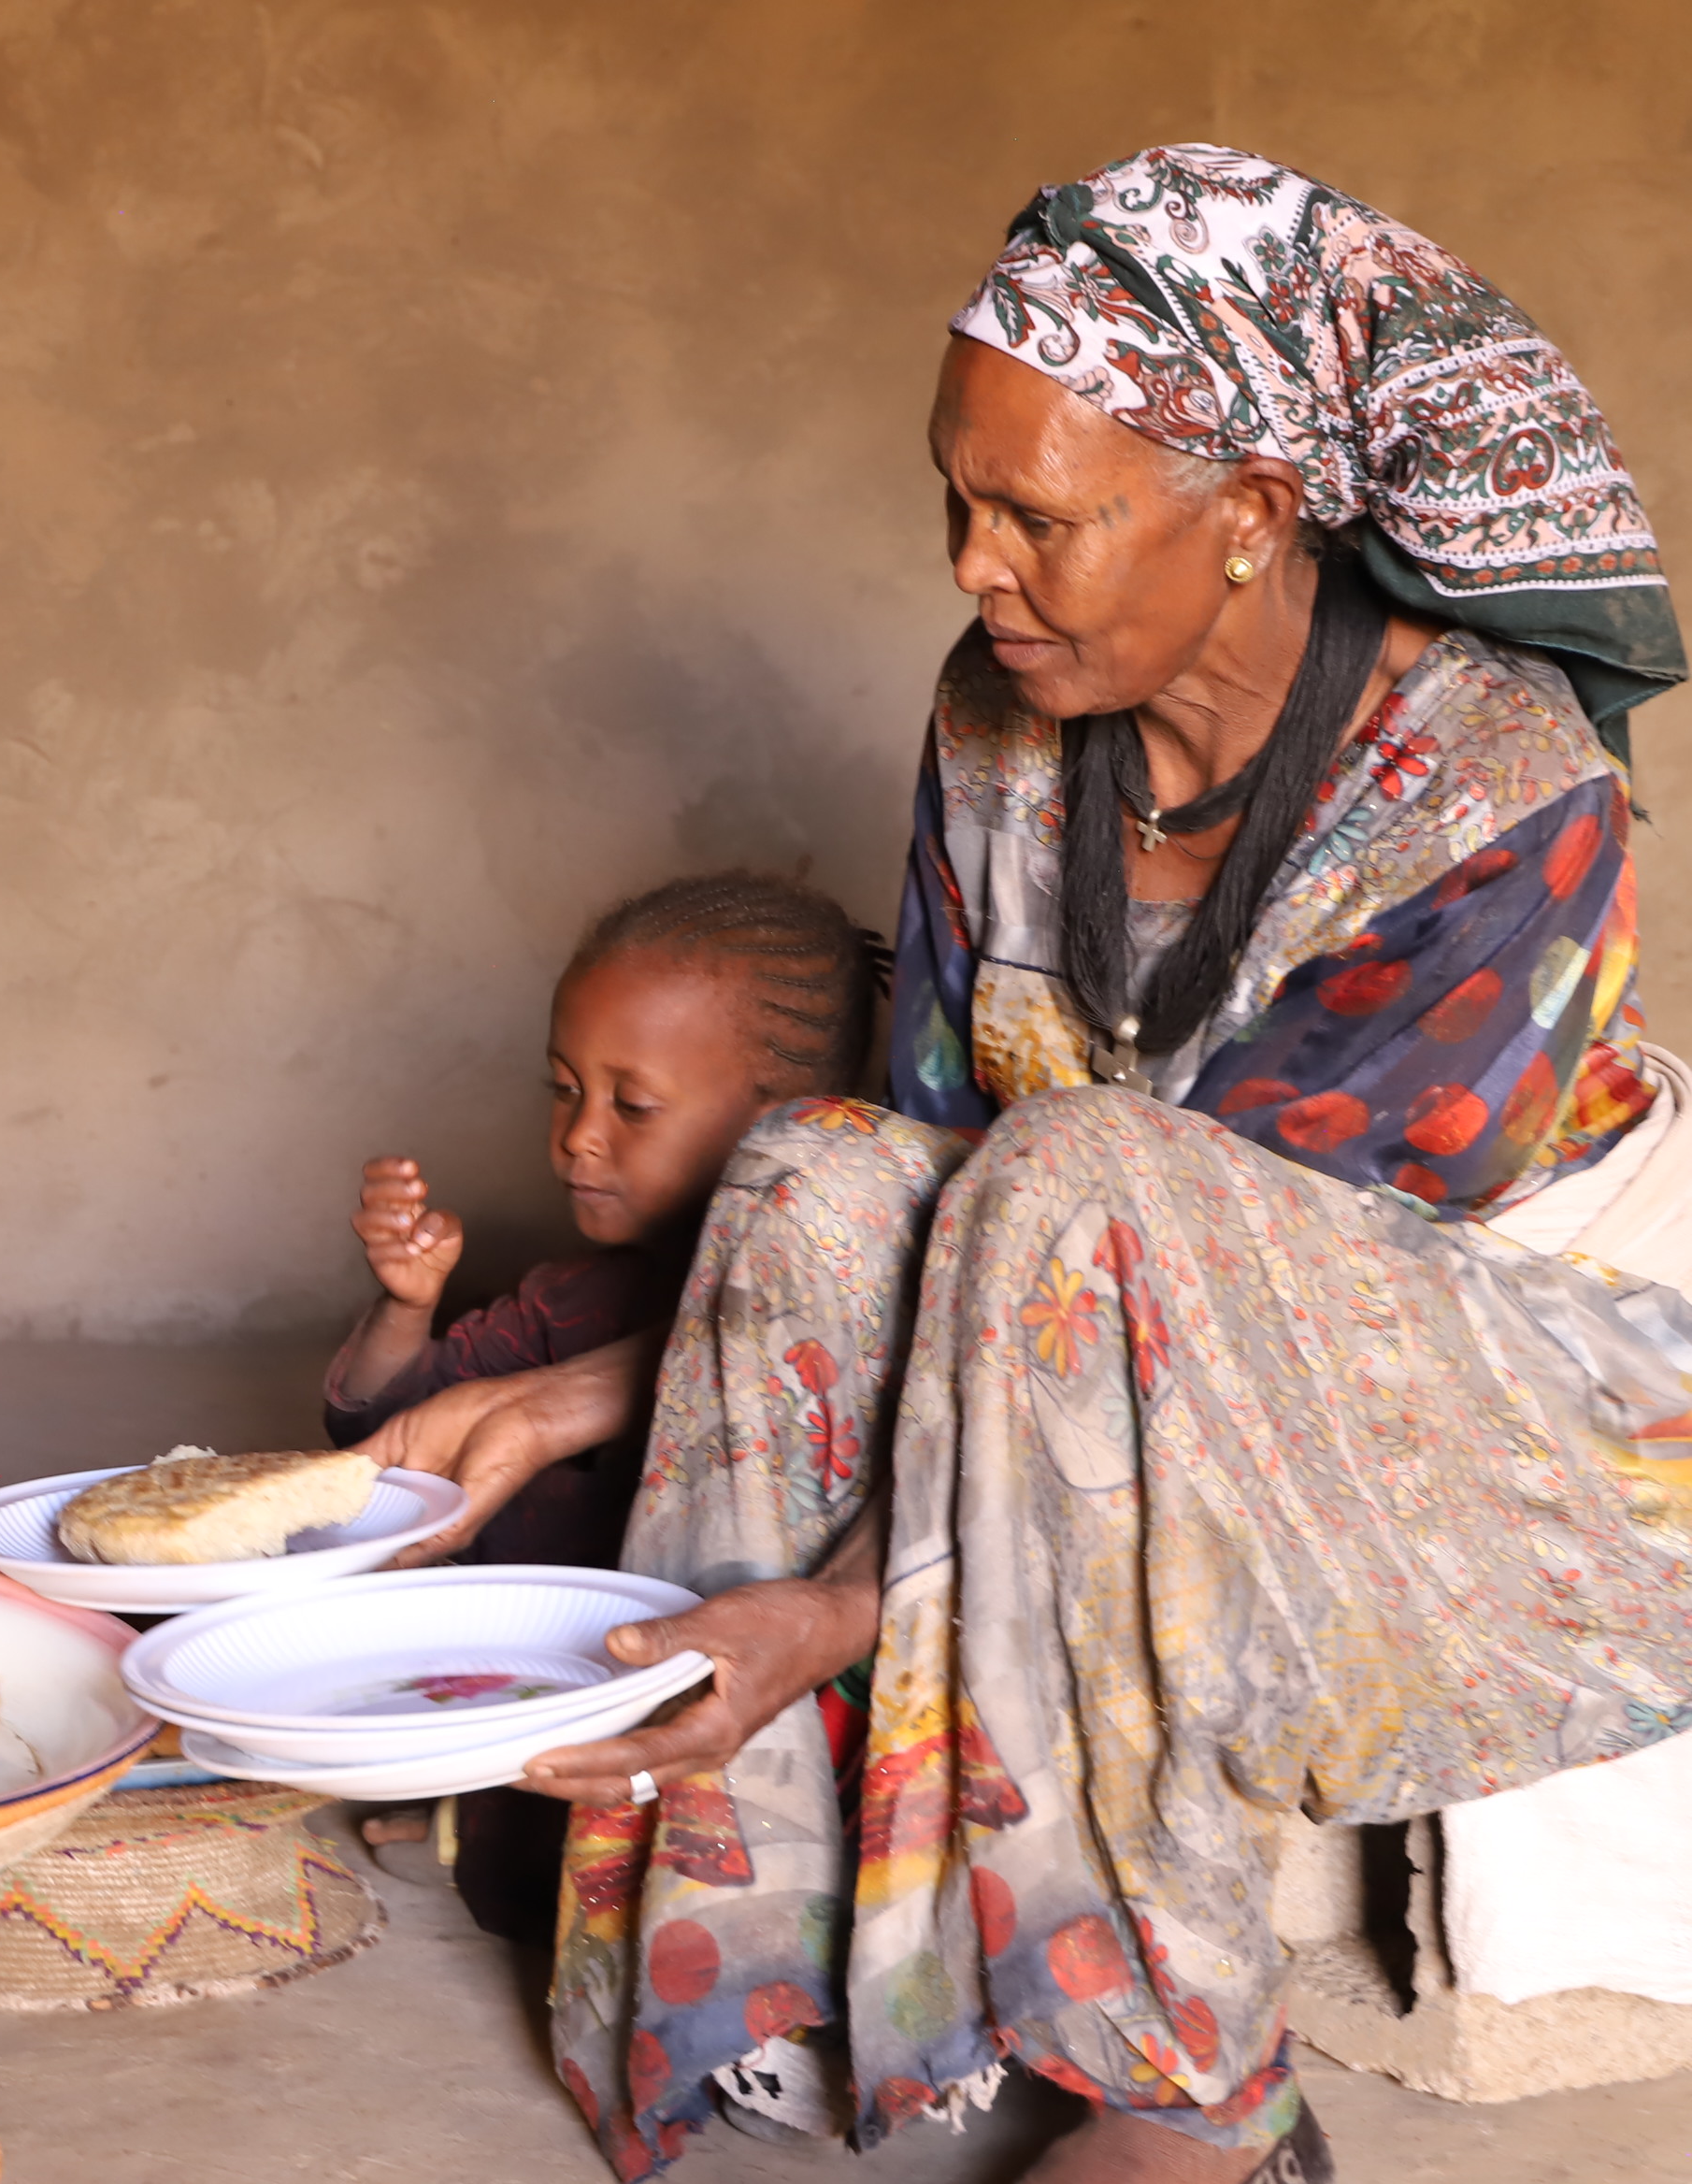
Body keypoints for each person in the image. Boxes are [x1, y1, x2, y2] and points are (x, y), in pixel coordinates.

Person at [437, 146, 1692, 2182]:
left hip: (1509, 1410)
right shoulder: (997, 726)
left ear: (1250, 518)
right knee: (807, 1171)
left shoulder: (1496, 798)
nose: (970, 562)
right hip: (1097, 1306)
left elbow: (1155, 1313)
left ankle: (1183, 2097)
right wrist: (570, 1387)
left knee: (1092, 1172)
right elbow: (922, 1174)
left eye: (1039, 514)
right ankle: (741, 1956)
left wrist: (835, 1608)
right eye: (956, 493)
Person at [333, 872, 881, 1573]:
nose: (579, 1136)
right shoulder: (565, 1304)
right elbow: (385, 1437)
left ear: (785, 1121)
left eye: (634, 1105)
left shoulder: (840, 1339)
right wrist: (406, 1309)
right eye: (565, 1089)